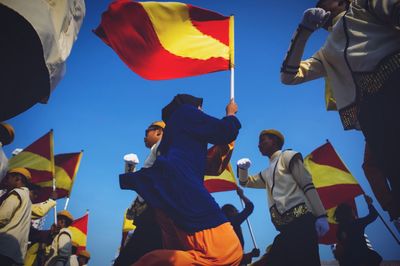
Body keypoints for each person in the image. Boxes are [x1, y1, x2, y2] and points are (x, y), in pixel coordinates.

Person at [280, 0, 400, 228]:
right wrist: (303, 31)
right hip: (372, 117)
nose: (321, 4)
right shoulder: (326, 54)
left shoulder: (363, 6)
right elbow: (288, 76)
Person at [119, 94, 243, 265]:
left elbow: (205, 165)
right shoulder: (186, 112)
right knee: (228, 253)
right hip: (181, 196)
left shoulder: (175, 136)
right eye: (200, 108)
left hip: (164, 201)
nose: (202, 112)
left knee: (147, 252)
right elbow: (224, 131)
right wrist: (231, 114)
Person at [237, 129, 329, 266]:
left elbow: (307, 184)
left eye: (263, 140)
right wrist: (242, 169)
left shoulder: (288, 156)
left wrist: (321, 215)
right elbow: (245, 182)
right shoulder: (267, 172)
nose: (258, 145)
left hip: (302, 222)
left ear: (274, 141)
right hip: (285, 229)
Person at [114, 121, 165, 266]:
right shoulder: (156, 150)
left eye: (146, 132)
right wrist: (130, 169)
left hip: (152, 215)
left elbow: (151, 180)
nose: (144, 137)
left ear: (158, 132)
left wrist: (130, 174)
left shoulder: (162, 147)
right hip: (149, 215)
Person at [334, 195, 382, 266]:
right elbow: (373, 215)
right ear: (349, 212)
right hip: (365, 259)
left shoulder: (339, 230)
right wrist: (369, 203)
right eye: (352, 210)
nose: (354, 211)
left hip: (349, 261)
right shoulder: (356, 224)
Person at [0, 168, 32, 265]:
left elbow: (2, 218)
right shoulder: (27, 200)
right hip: (15, 254)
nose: (6, 182)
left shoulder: (17, 193)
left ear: (17, 179)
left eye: (8, 178)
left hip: (3, 249)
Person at [222, 187, 260, 265]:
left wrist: (250, 255)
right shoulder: (233, 222)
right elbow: (250, 207)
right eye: (236, 211)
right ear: (230, 212)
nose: (238, 213)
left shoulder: (220, 229)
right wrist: (242, 195)